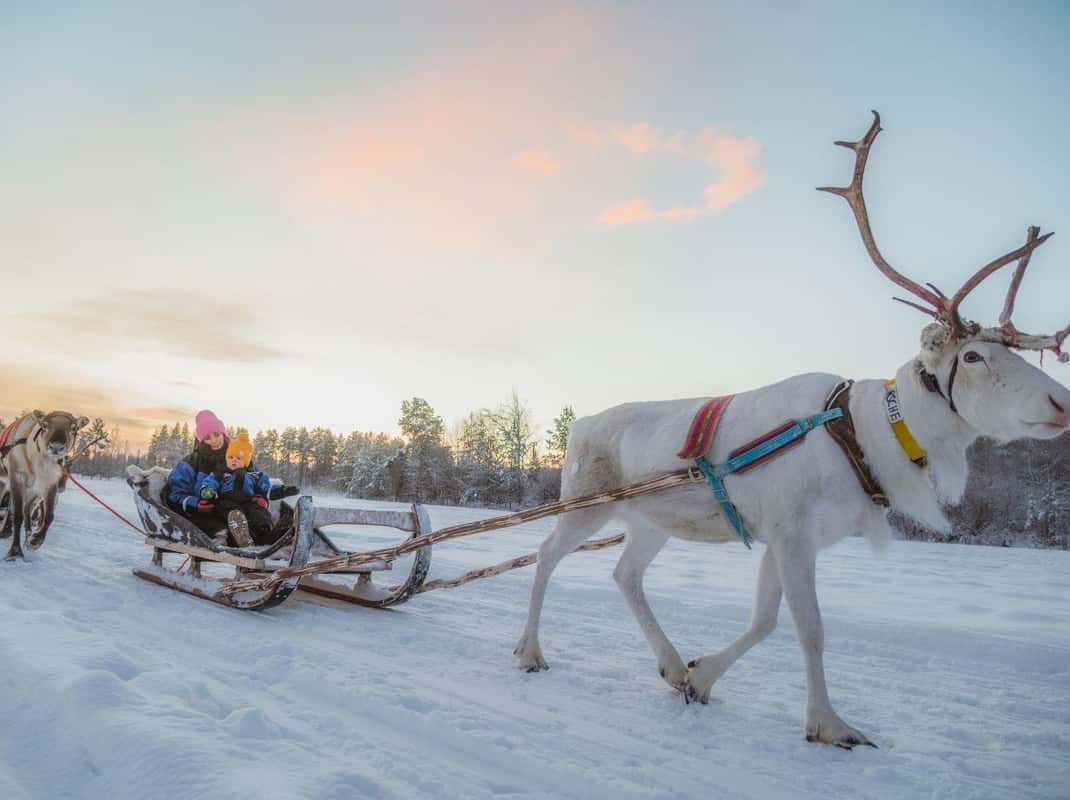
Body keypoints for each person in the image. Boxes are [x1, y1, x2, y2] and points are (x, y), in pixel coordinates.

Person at [195, 431, 275, 547]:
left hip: (248, 501)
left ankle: (265, 531)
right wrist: (207, 490)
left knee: (258, 511)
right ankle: (240, 532)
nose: (233, 460)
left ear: (245, 462)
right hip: (226, 500)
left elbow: (264, 485)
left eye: (238, 458)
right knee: (231, 510)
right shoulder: (221, 473)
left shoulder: (252, 475)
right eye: (230, 457)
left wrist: (265, 496)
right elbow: (210, 481)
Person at [166, 410, 231, 537]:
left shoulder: (238, 457)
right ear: (201, 440)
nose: (214, 440)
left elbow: (255, 478)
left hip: (234, 508)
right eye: (207, 437)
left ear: (223, 434)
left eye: (217, 435)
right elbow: (175, 495)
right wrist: (195, 503)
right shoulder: (190, 463)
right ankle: (222, 536)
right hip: (202, 513)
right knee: (216, 527)